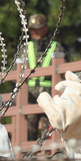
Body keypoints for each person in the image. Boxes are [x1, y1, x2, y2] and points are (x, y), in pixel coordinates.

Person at [25, 13, 60, 141]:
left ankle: (47, 159)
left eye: (38, 28)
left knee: (48, 134)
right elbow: (15, 76)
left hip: (49, 98)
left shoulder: (56, 48)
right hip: (29, 98)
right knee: (28, 134)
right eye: (32, 29)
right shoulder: (26, 49)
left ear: (45, 28)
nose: (35, 32)